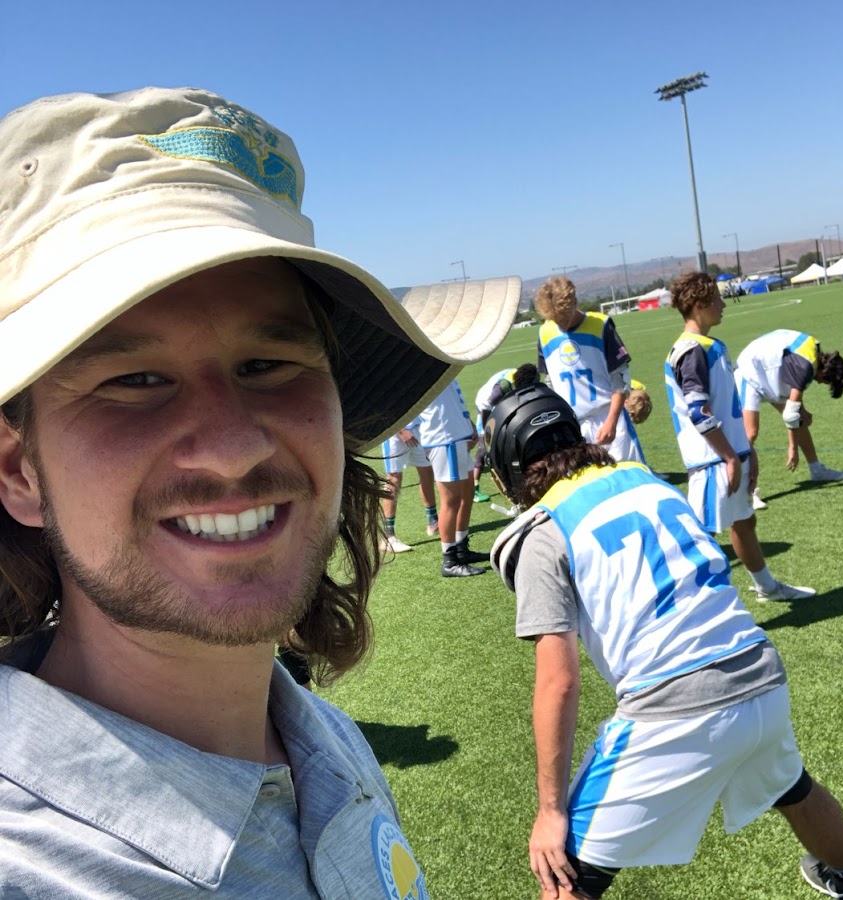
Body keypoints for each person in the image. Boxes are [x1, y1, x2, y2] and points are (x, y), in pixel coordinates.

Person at [0, 86, 522, 896]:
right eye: (134, 380)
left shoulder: (322, 742)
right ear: (18, 470)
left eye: (268, 365)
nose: (234, 448)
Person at [483, 382, 843, 900]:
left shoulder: (543, 532)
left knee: (565, 870)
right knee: (793, 787)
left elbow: (558, 681)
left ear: (511, 467)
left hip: (674, 705)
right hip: (759, 670)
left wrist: (550, 809)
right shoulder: (645, 480)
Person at [664, 272, 814, 601]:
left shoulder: (712, 345)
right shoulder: (690, 350)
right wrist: (731, 456)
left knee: (744, 523)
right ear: (699, 304)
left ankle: (767, 588)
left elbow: (727, 409)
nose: (723, 305)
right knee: (698, 539)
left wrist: (746, 450)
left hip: (730, 455)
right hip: (712, 462)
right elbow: (698, 412)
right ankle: (690, 609)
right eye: (717, 299)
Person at [734, 331, 843, 510]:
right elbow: (790, 415)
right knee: (750, 433)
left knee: (800, 418)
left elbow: (791, 375)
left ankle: (817, 470)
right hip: (750, 374)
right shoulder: (806, 367)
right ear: (825, 372)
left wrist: (800, 409)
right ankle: (747, 492)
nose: (821, 384)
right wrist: (793, 448)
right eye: (826, 381)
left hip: (769, 375)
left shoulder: (813, 354)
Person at [534, 277, 645, 464]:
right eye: (555, 319)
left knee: (626, 475)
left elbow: (620, 378)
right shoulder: (544, 333)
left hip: (607, 419)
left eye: (564, 317)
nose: (561, 323)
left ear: (575, 303)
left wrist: (612, 421)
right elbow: (550, 382)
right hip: (571, 426)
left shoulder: (601, 326)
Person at [418, 378, 491, 577]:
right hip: (443, 440)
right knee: (451, 501)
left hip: (457, 438)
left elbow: (455, 401)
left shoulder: (447, 369)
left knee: (467, 495)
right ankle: (449, 561)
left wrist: (469, 426)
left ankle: (461, 550)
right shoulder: (426, 369)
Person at [473, 363, 540, 502]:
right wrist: (487, 432)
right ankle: (474, 489)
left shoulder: (523, 378)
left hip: (502, 404)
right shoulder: (504, 385)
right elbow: (486, 406)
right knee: (484, 449)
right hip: (485, 406)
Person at [379, 419, 438, 552]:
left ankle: (433, 522)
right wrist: (401, 430)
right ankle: (388, 537)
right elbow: (382, 410)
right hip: (394, 434)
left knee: (427, 472)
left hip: (419, 429)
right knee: (393, 480)